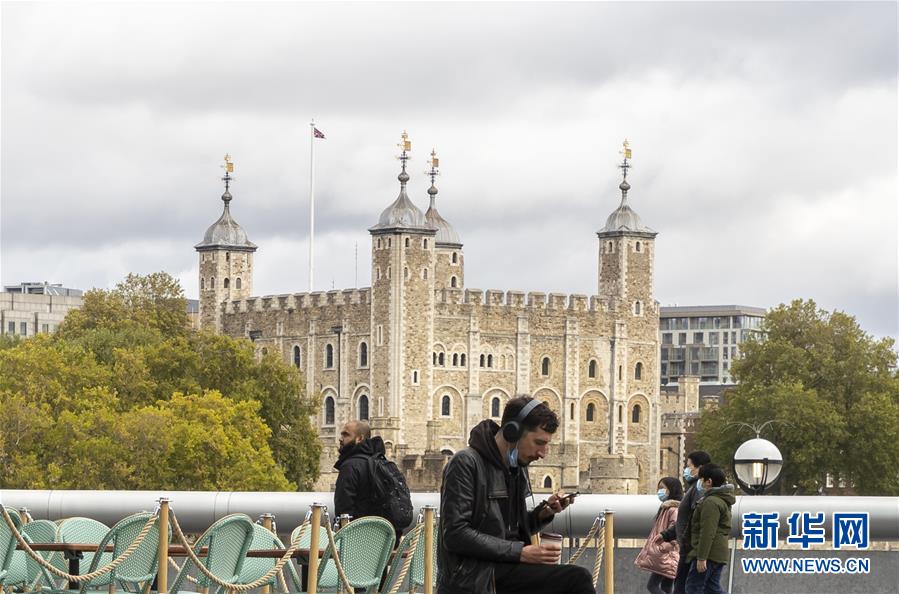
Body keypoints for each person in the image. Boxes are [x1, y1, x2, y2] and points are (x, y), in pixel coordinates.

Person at [437, 396, 595, 594]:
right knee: (577, 579)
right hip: (476, 577)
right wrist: (520, 553)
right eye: (538, 443)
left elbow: (508, 530)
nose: (543, 453)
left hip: (506, 569)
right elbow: (455, 534)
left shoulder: (515, 467)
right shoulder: (465, 463)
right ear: (512, 432)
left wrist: (543, 513)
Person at [657, 450, 712, 594]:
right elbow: (686, 517)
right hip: (688, 546)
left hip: (690, 548)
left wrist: (669, 535)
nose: (686, 470)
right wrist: (667, 535)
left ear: (699, 468)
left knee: (684, 587)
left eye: (689, 466)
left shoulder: (698, 489)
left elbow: (693, 519)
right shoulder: (694, 487)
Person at [684, 464, 735, 594]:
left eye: (701, 479)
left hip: (709, 553)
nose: (700, 483)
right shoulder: (721, 499)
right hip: (717, 552)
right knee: (711, 589)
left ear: (709, 481)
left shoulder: (711, 502)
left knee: (693, 588)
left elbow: (707, 531)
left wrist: (702, 557)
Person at [635, 477, 683, 594]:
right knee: (667, 587)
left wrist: (662, 547)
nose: (659, 491)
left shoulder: (673, 509)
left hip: (666, 554)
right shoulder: (667, 508)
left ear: (671, 490)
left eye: (662, 488)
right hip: (668, 554)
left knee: (652, 586)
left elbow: (675, 531)